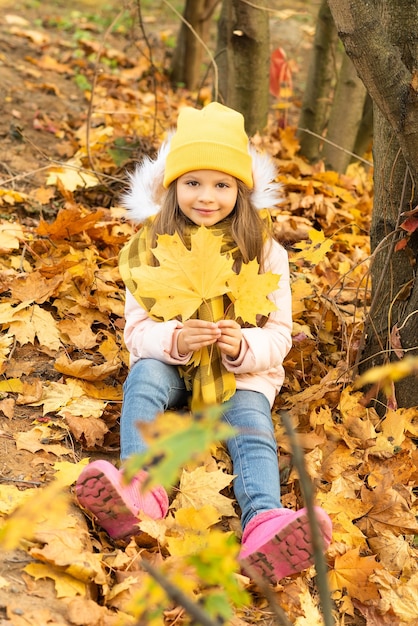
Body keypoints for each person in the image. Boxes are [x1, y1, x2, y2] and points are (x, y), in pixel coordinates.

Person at [75, 102, 332, 584]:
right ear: (172, 187)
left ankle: (264, 523)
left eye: (222, 184)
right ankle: (137, 491)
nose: (207, 197)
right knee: (145, 377)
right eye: (193, 182)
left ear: (242, 190)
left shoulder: (266, 252)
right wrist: (175, 338)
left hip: (240, 374)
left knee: (252, 428)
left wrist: (241, 347)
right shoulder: (150, 247)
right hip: (173, 367)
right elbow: (136, 331)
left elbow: (278, 335)